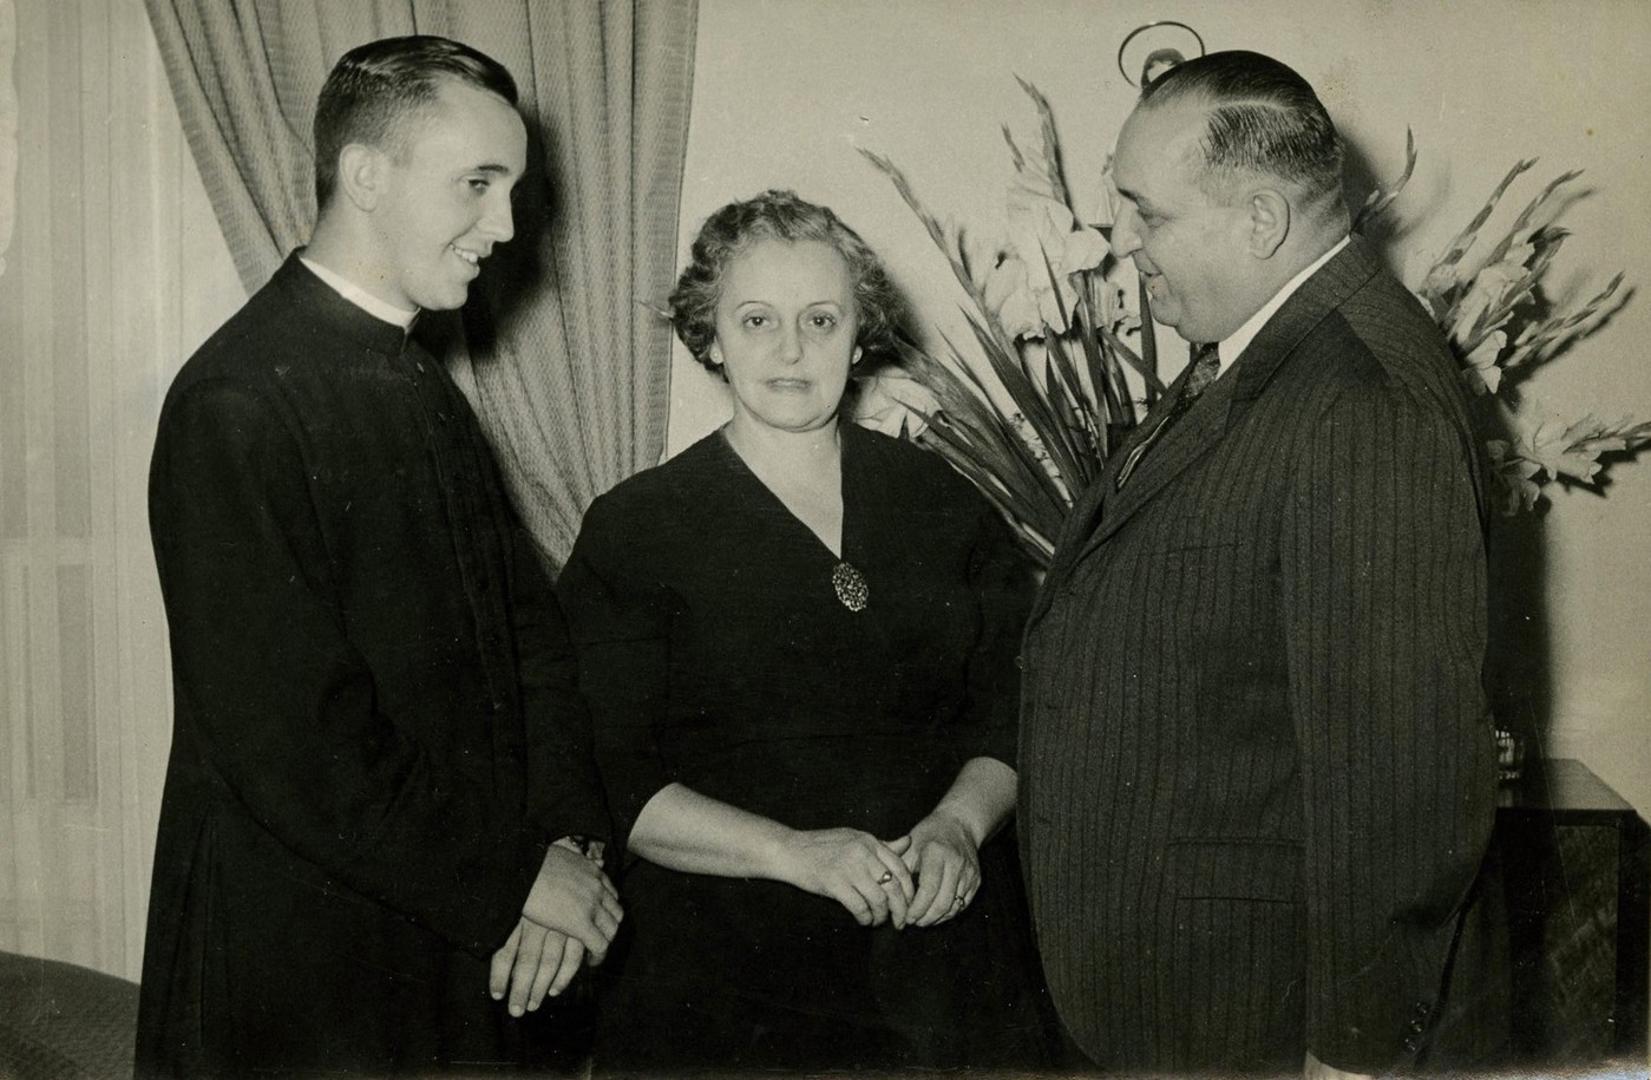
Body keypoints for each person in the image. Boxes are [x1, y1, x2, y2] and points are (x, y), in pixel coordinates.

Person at [136, 36, 622, 1077]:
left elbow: (531, 645)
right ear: (364, 175)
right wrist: (515, 882)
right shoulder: (234, 402)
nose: (506, 227)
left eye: (511, 189)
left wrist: (562, 845)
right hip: (309, 970)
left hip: (459, 931)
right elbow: (294, 744)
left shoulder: (416, 380)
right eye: (476, 184)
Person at [1017, 51, 1501, 1078]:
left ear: (1260, 222)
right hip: (1175, 989)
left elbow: (1400, 770)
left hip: (1249, 1013)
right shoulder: (1266, 352)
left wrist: (1352, 1049)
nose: (1121, 241)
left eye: (1147, 214)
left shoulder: (1362, 397)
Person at [557, 190, 1055, 1075]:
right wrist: (791, 854)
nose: (790, 350)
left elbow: (1015, 705)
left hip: (943, 960)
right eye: (757, 320)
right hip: (726, 978)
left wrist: (957, 826)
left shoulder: (939, 500)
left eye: (821, 320)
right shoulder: (637, 529)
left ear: (860, 337)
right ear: (710, 335)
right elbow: (609, 775)